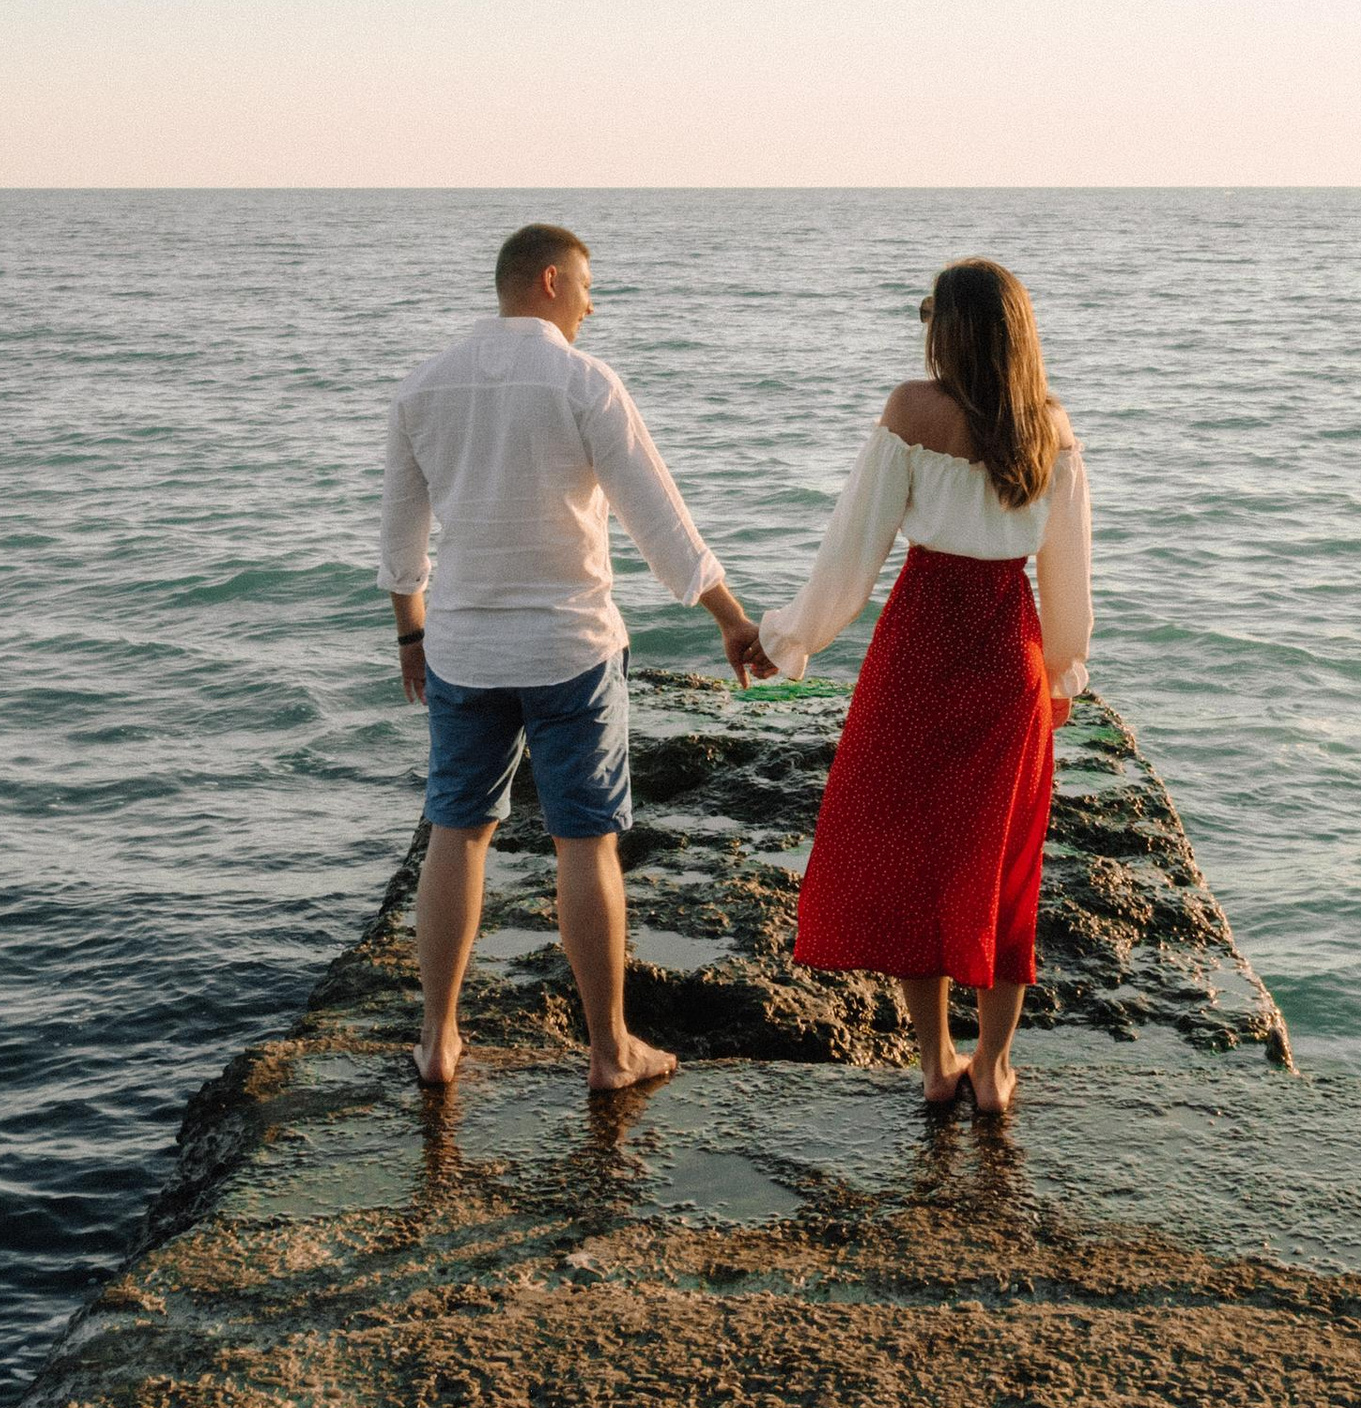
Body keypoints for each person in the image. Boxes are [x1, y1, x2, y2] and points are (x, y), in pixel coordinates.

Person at [380, 221, 771, 1093]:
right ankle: (608, 1050)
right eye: (589, 287)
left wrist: (412, 635)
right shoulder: (583, 381)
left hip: (465, 649)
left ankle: (439, 1043)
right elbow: (660, 522)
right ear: (551, 280)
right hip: (571, 649)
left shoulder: (422, 389)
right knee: (584, 843)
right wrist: (731, 619)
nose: (593, 304)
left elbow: (402, 546)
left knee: (458, 830)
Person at [760, 258, 1092, 1120]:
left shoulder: (913, 410)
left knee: (912, 858)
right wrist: (1059, 674)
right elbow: (1071, 594)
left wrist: (786, 639)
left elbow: (851, 555)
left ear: (946, 329)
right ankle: (994, 1065)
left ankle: (936, 1060)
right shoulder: (1051, 430)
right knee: (1002, 868)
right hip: (1007, 660)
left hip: (918, 650)